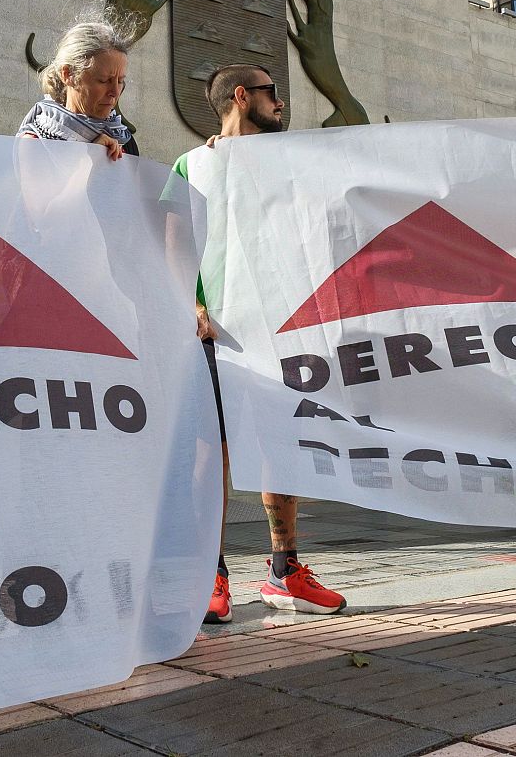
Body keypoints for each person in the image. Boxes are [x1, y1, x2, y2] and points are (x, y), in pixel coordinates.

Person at [172, 63, 347, 624]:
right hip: (214, 333)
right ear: (242, 97)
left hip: (277, 330)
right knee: (212, 454)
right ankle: (211, 575)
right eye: (274, 94)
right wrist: (193, 304)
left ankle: (284, 572)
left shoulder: (287, 164)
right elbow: (172, 247)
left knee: (282, 444)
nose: (283, 105)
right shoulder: (192, 165)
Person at [18, 13, 136, 161]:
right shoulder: (36, 140)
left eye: (120, 81)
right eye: (104, 80)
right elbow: (38, 185)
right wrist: (90, 157)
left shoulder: (124, 140)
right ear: (68, 74)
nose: (115, 92)